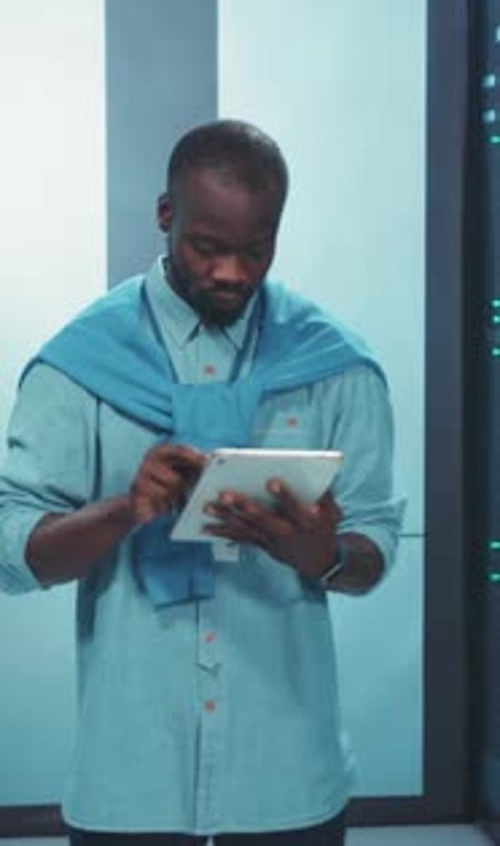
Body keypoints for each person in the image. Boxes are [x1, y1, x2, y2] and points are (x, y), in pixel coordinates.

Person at [0, 120, 404, 845]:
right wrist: (126, 509)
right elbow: (11, 557)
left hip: (288, 782)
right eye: (209, 247)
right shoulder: (76, 366)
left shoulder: (338, 367)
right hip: (130, 784)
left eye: (257, 249)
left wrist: (326, 557)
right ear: (164, 216)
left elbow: (373, 539)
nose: (233, 274)